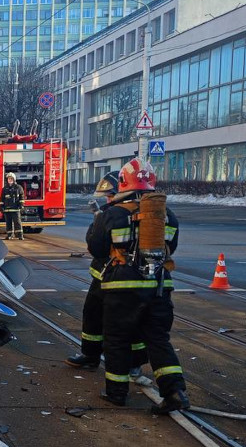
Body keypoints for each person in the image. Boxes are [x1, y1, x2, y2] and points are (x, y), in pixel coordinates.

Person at [87, 158, 188, 414]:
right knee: (158, 340)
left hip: (121, 290)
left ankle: (117, 393)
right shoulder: (168, 216)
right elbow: (170, 249)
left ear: (122, 183)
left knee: (117, 340)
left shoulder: (113, 213)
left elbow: (96, 249)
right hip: (158, 288)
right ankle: (175, 391)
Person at [66, 172, 148, 377]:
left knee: (128, 322)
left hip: (124, 279)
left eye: (110, 196)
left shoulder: (127, 213)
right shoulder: (108, 212)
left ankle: (134, 363)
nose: (108, 200)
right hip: (103, 275)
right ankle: (90, 355)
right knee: (92, 314)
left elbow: (97, 246)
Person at [0, 172, 25, 240]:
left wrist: (21, 205)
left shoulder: (18, 188)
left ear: (14, 179)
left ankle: (20, 235)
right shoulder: (4, 189)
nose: (9, 180)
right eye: (8, 179)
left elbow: (22, 197)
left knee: (17, 222)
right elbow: (2, 198)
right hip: (7, 210)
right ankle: (9, 235)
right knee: (8, 223)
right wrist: (1, 207)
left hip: (16, 209)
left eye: (11, 179)